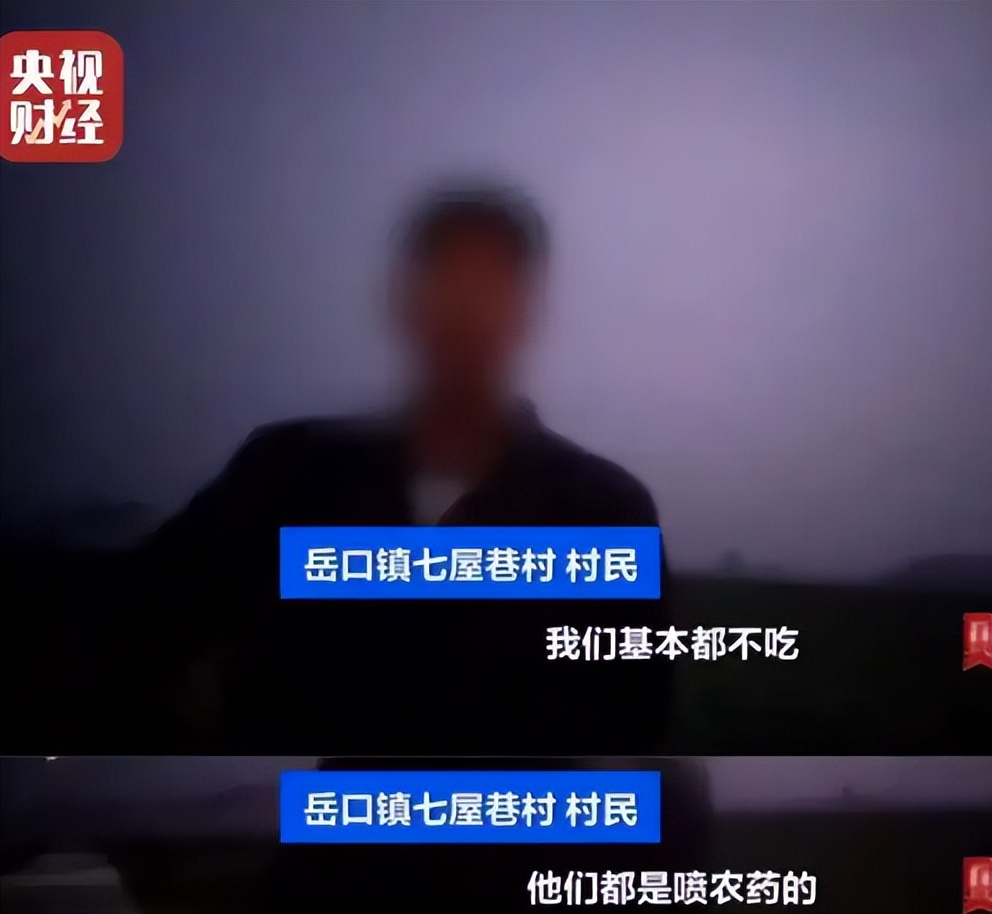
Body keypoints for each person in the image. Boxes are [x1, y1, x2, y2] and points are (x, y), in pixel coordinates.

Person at [129, 181, 673, 755]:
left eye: (493, 284)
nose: (466, 310)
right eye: (446, 279)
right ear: (401, 301)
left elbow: (634, 729)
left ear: (526, 313)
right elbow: (135, 627)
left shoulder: (605, 512)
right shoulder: (284, 473)